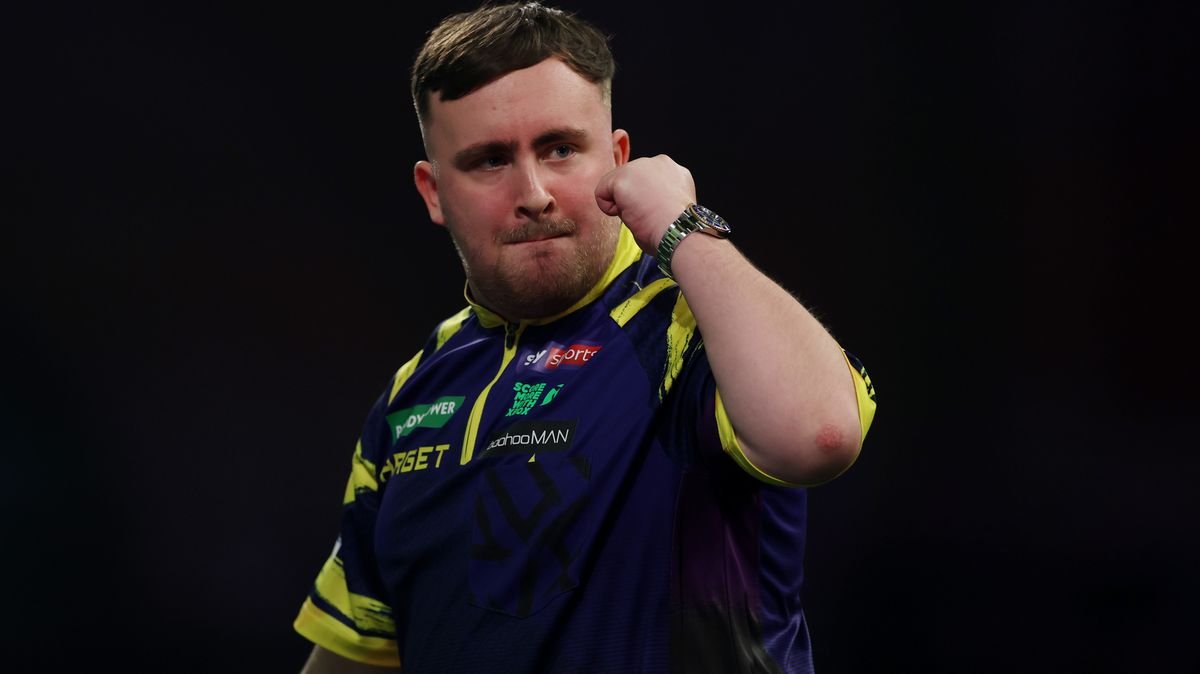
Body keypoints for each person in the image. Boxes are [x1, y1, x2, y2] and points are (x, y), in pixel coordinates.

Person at [294, 3, 876, 672]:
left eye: (560, 149)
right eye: (490, 160)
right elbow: (357, 657)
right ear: (433, 192)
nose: (534, 192)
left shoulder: (694, 326)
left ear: (619, 159)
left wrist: (684, 227)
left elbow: (820, 435)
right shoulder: (412, 393)